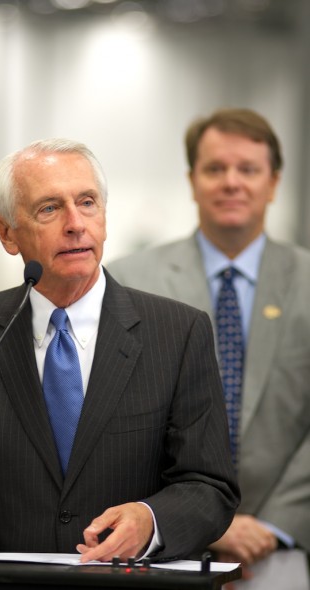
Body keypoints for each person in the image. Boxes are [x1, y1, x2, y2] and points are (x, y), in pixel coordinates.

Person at [0, 138, 239, 562]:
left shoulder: (178, 332)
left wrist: (151, 519)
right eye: (49, 208)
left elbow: (210, 485)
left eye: (87, 202)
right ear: (7, 233)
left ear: (104, 217)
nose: (75, 223)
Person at [107, 108, 310, 587]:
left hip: (278, 548)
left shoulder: (307, 283)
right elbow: (113, 420)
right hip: (161, 546)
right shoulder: (130, 281)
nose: (231, 182)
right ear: (192, 180)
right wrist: (198, 517)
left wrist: (275, 524)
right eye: (215, 169)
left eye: (248, 169)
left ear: (274, 182)